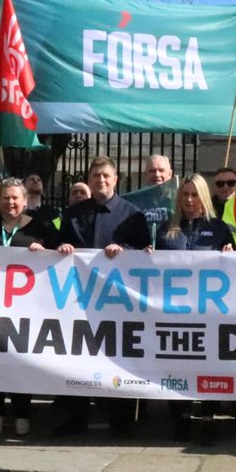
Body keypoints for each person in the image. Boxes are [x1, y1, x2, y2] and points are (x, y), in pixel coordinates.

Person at [55, 156, 151, 437]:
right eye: (96, 176)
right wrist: (61, 248)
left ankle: (120, 423)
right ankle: (76, 419)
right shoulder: (73, 214)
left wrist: (123, 249)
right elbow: (59, 244)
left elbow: (145, 251)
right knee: (77, 359)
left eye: (106, 176)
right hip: (78, 300)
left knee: (115, 360)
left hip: (116, 302)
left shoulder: (132, 214)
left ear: (116, 179)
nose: (101, 180)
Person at [0, 178, 57, 437]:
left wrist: (46, 250)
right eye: (6, 198)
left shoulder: (41, 227)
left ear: (25, 201)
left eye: (15, 198)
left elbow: (62, 254)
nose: (10, 202)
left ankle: (22, 412)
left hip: (26, 308)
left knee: (19, 361)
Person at [151, 174, 235, 441]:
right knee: (177, 365)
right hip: (174, 313)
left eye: (194, 194)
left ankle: (209, 417)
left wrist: (234, 254)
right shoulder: (166, 229)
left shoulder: (220, 228)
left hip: (209, 313)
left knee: (210, 365)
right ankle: (181, 418)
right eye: (185, 194)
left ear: (204, 197)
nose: (189, 200)